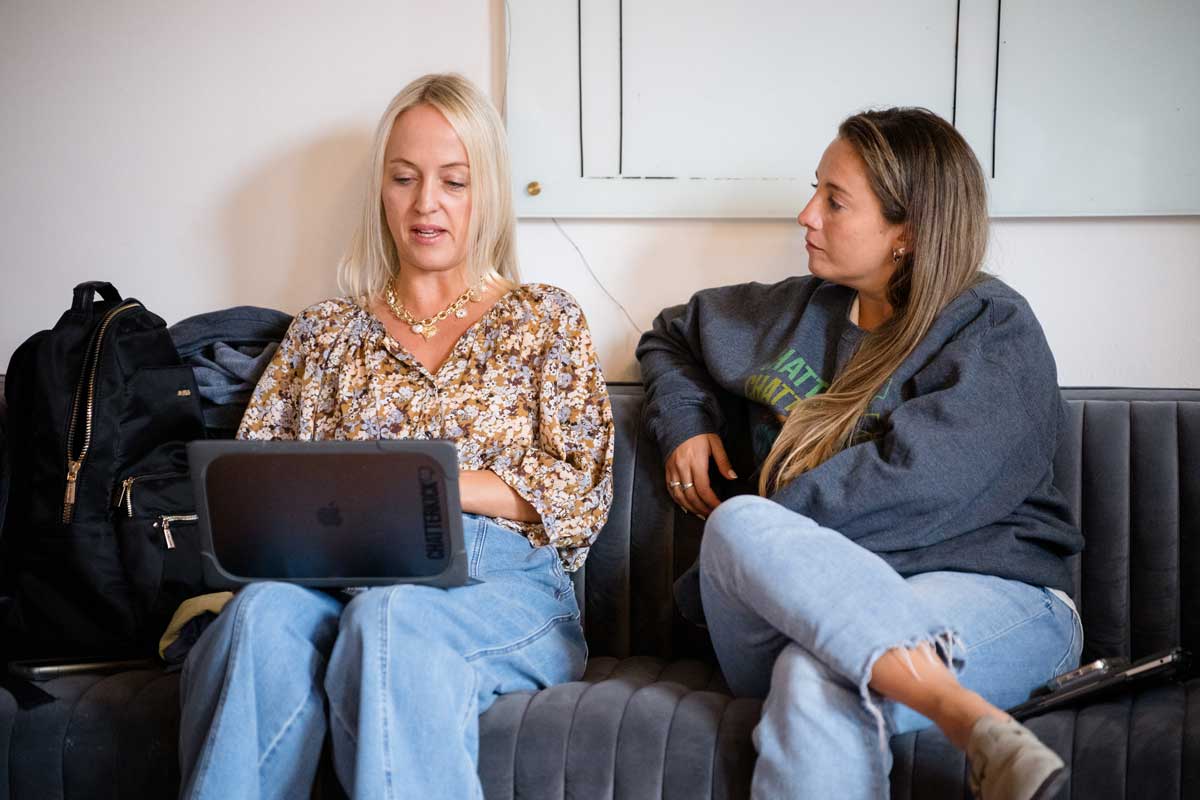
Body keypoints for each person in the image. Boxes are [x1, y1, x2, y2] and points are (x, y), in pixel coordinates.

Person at [178, 73, 614, 799]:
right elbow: (255, 491)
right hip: (333, 579)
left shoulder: (544, 318)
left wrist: (424, 490)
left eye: (454, 181)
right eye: (404, 178)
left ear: (489, 193)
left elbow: (583, 491)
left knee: (392, 618)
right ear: (381, 188)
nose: (425, 204)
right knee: (258, 618)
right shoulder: (325, 333)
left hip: (497, 580)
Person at [636, 108, 1083, 800]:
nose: (806, 214)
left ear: (906, 231)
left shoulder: (990, 329)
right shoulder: (793, 313)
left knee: (816, 678)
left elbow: (920, 485)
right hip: (789, 610)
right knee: (737, 526)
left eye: (834, 200)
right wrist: (686, 421)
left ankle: (963, 715)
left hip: (992, 595)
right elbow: (670, 335)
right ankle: (961, 714)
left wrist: (775, 541)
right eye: (815, 189)